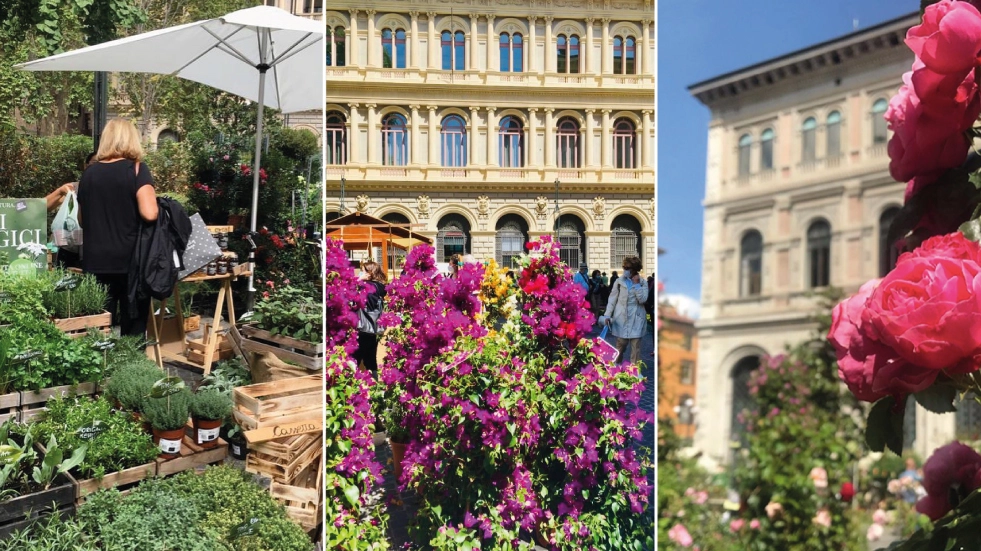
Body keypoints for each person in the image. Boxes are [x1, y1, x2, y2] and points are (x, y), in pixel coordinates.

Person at [77, 119, 158, 337]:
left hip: (95, 262)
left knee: (99, 329)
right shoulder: (137, 170)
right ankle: (130, 367)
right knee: (133, 329)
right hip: (130, 264)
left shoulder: (88, 175)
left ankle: (100, 369)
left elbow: (82, 220)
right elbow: (150, 213)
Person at [47, 152, 96, 269]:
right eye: (94, 164)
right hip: (69, 247)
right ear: (86, 166)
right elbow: (40, 208)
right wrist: (59, 192)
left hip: (94, 251)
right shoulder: (73, 189)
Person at [601, 256, 649, 365]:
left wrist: (636, 285)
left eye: (627, 268)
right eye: (624, 267)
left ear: (634, 269)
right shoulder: (619, 281)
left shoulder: (642, 283)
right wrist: (607, 315)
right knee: (619, 348)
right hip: (621, 318)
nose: (625, 270)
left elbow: (642, 299)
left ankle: (634, 375)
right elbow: (612, 299)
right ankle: (615, 371)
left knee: (635, 350)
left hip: (637, 319)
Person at [353, 261, 387, 376]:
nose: (361, 273)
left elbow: (349, 290)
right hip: (376, 328)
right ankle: (375, 388)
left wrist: (359, 280)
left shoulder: (367, 286)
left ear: (370, 272)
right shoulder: (381, 286)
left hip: (364, 328)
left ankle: (352, 387)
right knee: (371, 360)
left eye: (363, 270)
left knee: (355, 360)